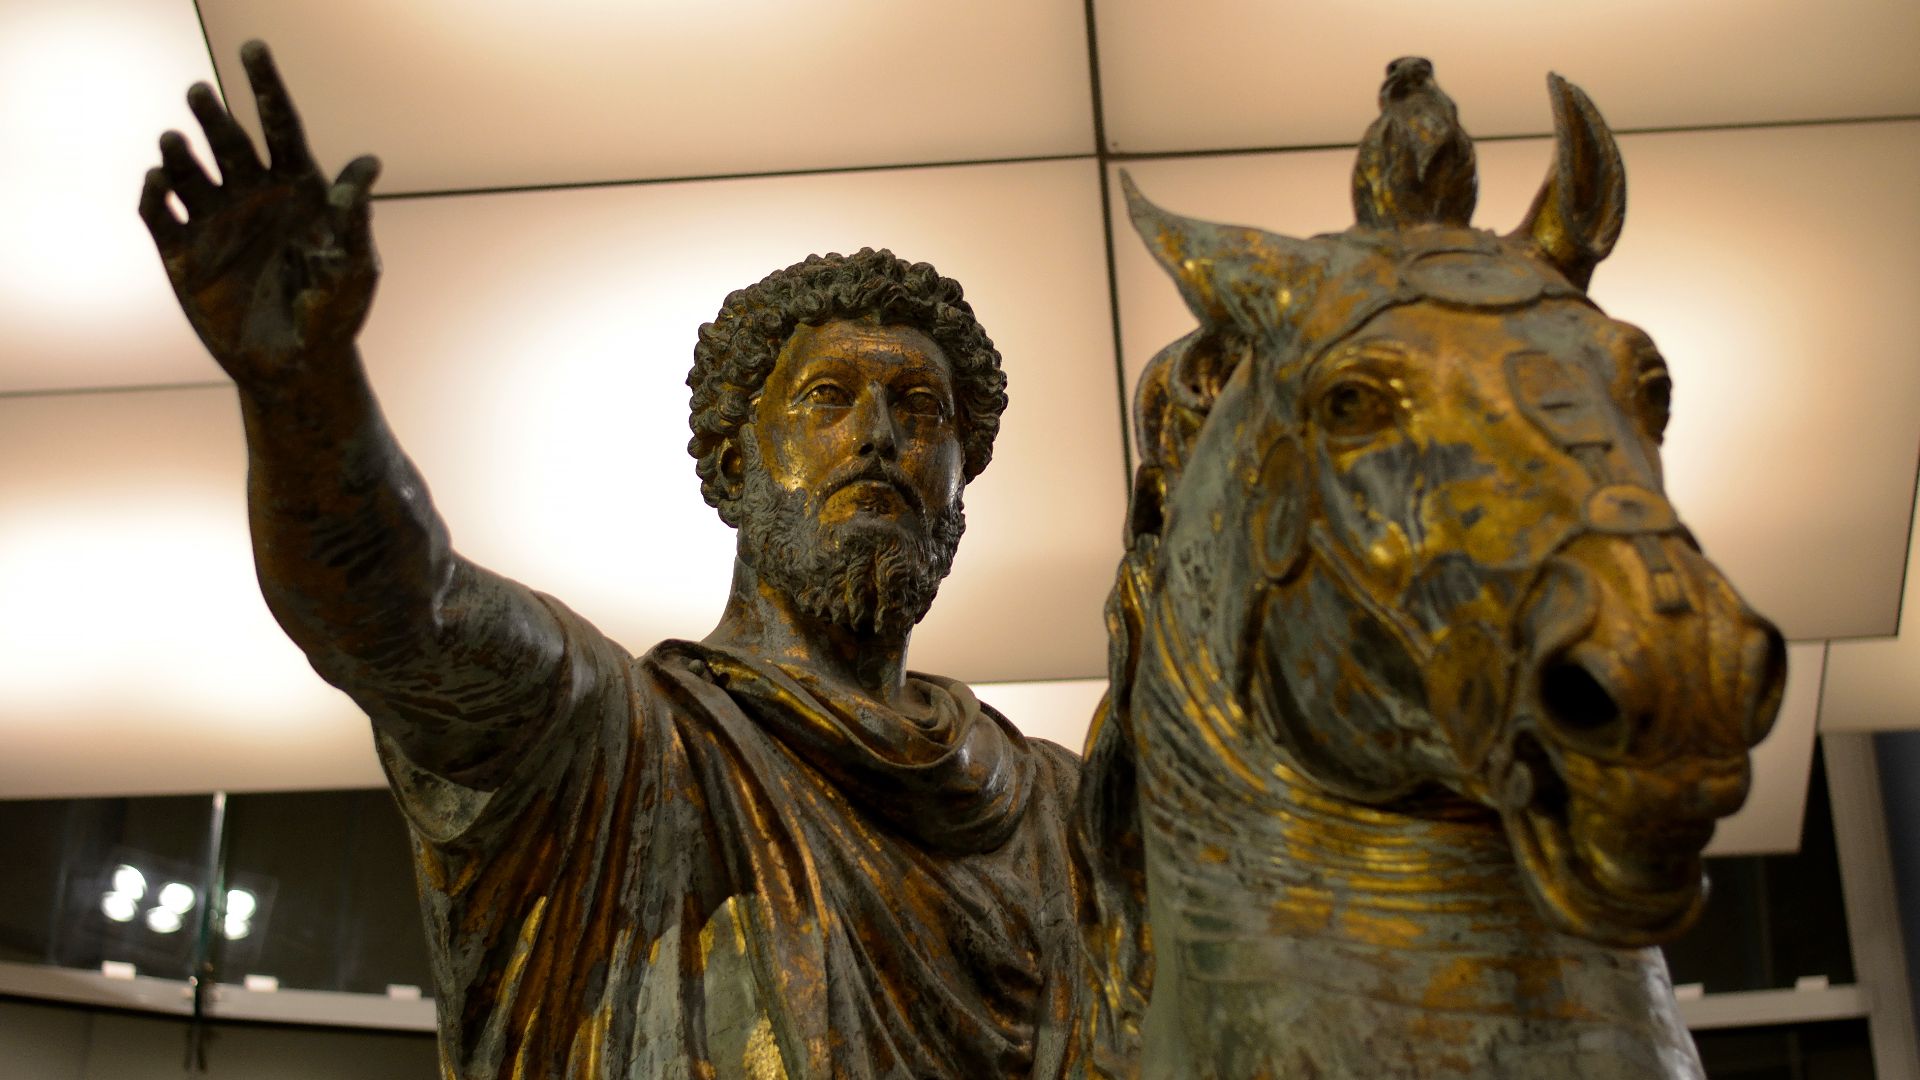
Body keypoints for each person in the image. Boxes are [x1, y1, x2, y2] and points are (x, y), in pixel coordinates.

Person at [141, 41, 1092, 1079]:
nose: (875, 436)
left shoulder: (1052, 811)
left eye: (920, 409)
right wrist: (300, 389)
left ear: (962, 480)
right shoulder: (609, 740)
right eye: (827, 399)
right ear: (733, 465)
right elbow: (397, 609)